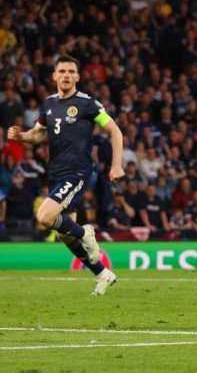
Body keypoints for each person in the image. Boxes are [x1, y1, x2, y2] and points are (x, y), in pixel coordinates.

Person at [7, 55, 124, 295]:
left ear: (78, 77)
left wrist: (116, 165)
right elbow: (38, 134)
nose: (66, 75)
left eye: (71, 71)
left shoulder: (87, 103)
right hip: (56, 173)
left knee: (44, 216)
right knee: (63, 234)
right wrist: (20, 136)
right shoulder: (49, 103)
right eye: (62, 71)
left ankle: (85, 232)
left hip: (77, 171)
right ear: (54, 76)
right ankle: (102, 273)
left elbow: (115, 131)